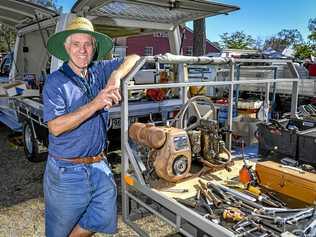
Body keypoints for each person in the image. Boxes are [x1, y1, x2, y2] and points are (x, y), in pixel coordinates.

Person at [43, 16, 140, 237]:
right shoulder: (56, 82)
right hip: (67, 170)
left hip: (99, 164)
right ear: (66, 48)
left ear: (94, 47)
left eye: (87, 44)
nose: (82, 50)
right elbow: (55, 127)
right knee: (59, 230)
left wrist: (115, 76)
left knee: (103, 216)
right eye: (76, 44)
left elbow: (135, 57)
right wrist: (97, 102)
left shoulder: (98, 71)